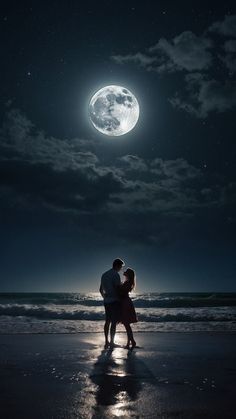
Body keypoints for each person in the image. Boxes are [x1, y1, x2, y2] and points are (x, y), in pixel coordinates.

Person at [99, 258, 125, 348]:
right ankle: (112, 342)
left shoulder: (104, 274)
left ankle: (106, 341)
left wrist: (105, 297)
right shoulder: (115, 275)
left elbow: (100, 290)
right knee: (113, 322)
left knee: (107, 321)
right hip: (114, 301)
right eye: (121, 267)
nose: (121, 269)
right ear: (117, 265)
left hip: (106, 301)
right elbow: (118, 288)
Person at [119, 268, 138, 349]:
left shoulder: (128, 282)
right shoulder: (128, 282)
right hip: (126, 302)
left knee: (127, 324)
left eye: (126, 272)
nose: (124, 272)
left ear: (128, 274)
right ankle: (131, 342)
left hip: (125, 303)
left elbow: (122, 291)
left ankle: (131, 342)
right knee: (127, 325)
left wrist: (118, 286)